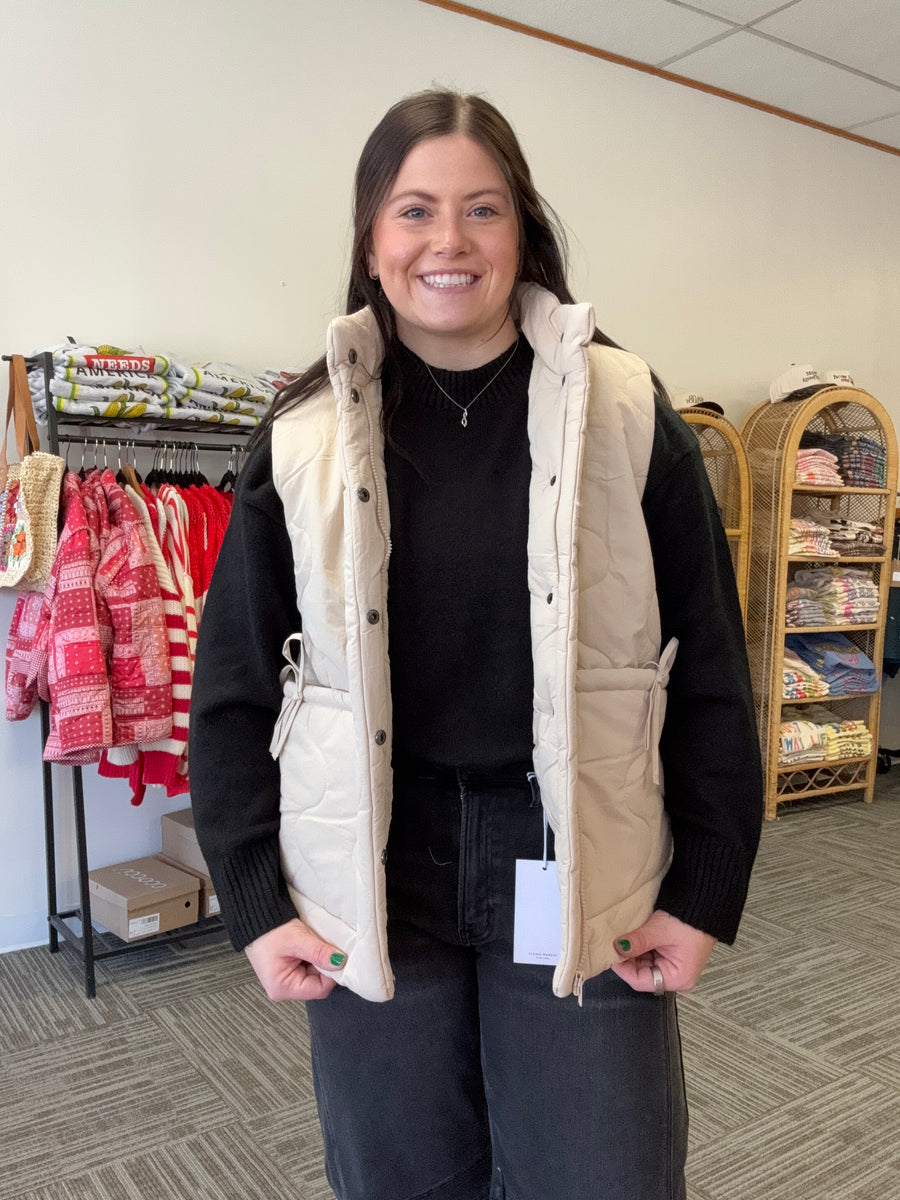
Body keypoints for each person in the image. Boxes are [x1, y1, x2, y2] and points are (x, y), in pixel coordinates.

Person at [190, 88, 762, 1200]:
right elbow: (235, 688)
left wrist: (703, 884)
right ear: (372, 241)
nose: (447, 240)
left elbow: (708, 663)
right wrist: (254, 899)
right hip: (371, 862)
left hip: (572, 850)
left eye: (482, 209)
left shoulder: (623, 411)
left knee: (603, 1175)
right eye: (414, 211)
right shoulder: (302, 439)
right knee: (399, 1177)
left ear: (523, 229)